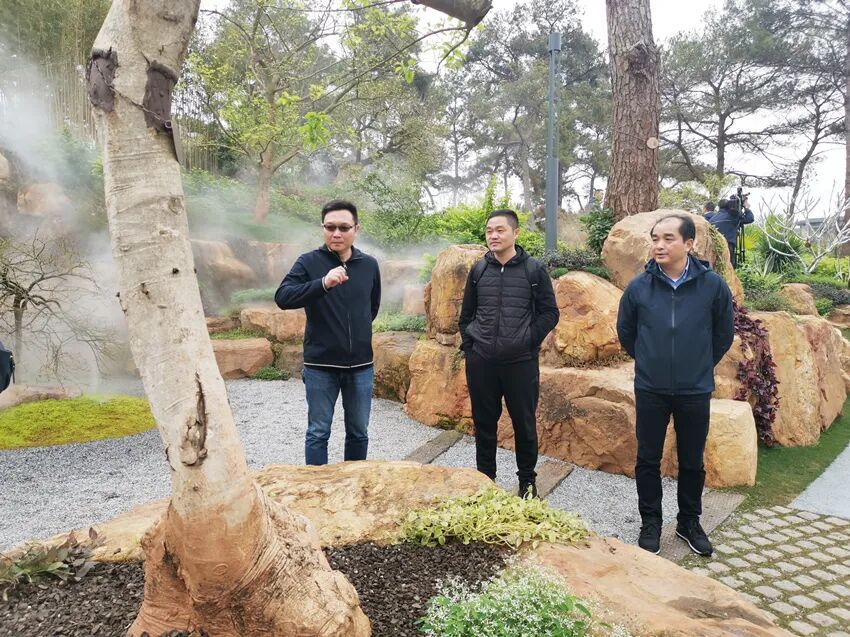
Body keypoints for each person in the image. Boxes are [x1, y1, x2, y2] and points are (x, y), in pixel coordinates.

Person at [616, 214, 734, 557]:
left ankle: (689, 522)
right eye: (655, 238)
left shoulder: (713, 286)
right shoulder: (639, 287)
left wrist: (699, 364)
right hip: (651, 388)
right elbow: (626, 332)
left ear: (689, 244)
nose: (659, 245)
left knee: (692, 461)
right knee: (647, 459)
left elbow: (723, 334)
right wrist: (649, 360)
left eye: (668, 238)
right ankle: (651, 523)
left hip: (694, 389)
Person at [458, 209, 559, 498]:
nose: (493, 235)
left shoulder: (533, 270)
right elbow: (466, 315)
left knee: (524, 424)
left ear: (515, 233)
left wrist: (527, 340)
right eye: (489, 230)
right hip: (482, 362)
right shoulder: (479, 270)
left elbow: (549, 313)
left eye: (500, 230)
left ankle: (527, 481)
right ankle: (485, 480)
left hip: (520, 363)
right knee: (484, 423)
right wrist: (472, 346)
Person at [275, 200, 381, 465]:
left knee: (359, 433)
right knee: (318, 433)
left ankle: (354, 483)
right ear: (322, 228)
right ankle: (315, 486)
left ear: (356, 229)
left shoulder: (369, 265)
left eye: (344, 227)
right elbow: (283, 297)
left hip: (361, 366)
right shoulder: (309, 262)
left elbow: (372, 308)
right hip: (321, 366)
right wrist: (323, 283)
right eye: (330, 227)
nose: (336, 233)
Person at [706, 195, 754, 268]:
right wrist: (746, 207)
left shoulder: (712, 219)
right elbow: (750, 218)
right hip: (728, 246)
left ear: (719, 207)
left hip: (713, 247)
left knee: (716, 268)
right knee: (728, 268)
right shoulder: (733, 216)